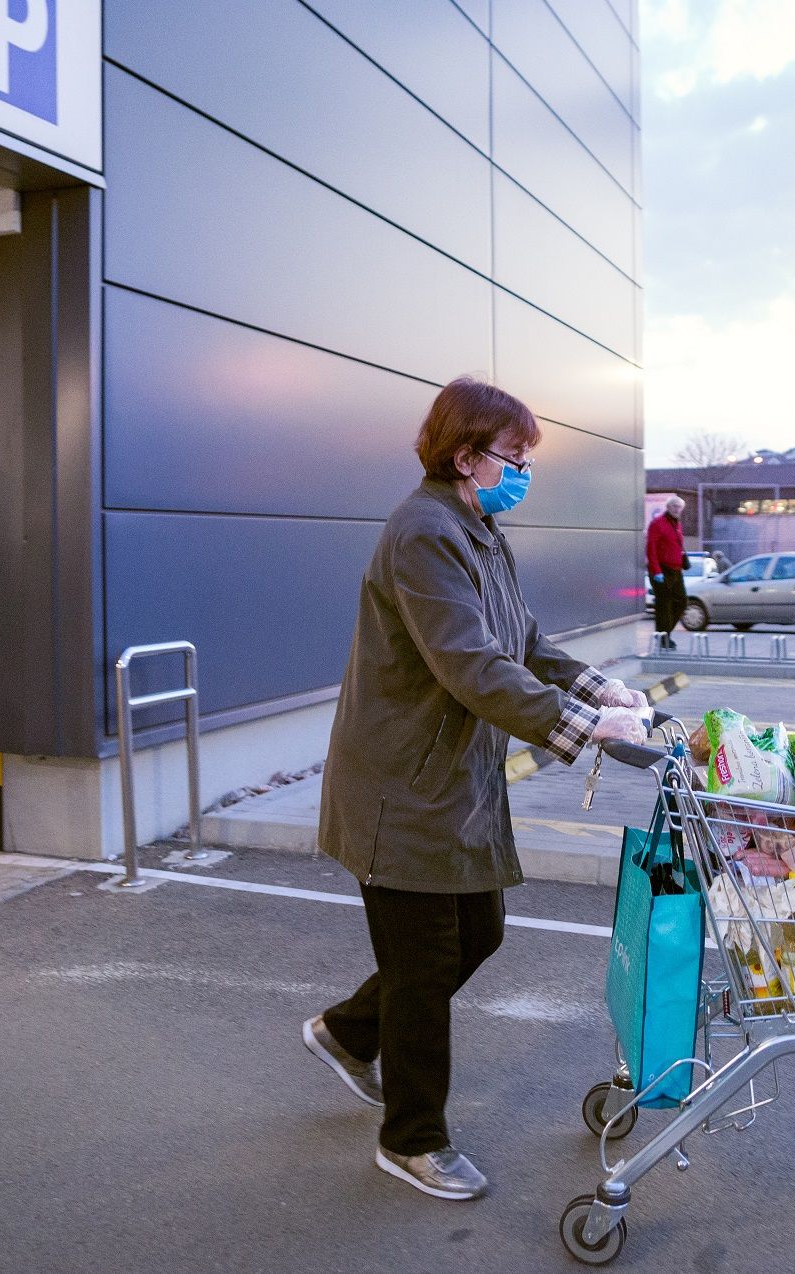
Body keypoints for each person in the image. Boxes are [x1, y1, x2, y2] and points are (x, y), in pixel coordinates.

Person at [304, 377, 653, 1201]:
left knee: (478, 934)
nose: (524, 472)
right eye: (514, 457)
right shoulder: (423, 533)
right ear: (466, 457)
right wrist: (580, 726)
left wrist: (599, 689)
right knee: (423, 966)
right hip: (402, 789)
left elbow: (520, 641)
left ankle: (347, 1032)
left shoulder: (479, 531)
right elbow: (469, 663)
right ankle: (411, 1139)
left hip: (451, 782)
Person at [647, 494, 688, 650]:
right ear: (668, 507)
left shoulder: (677, 524)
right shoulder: (658, 523)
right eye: (674, 506)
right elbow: (651, 548)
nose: (677, 509)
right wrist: (656, 571)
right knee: (664, 606)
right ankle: (664, 639)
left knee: (682, 602)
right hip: (662, 569)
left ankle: (664, 634)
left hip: (676, 570)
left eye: (679, 507)